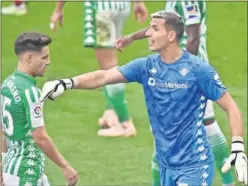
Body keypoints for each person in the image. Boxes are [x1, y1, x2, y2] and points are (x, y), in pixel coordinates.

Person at [39, 10, 247, 185]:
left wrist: (237, 146)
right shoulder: (146, 66)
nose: (148, 33)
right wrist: (67, 83)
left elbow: (230, 106)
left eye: (155, 29)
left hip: (194, 165)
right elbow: (103, 76)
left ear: (172, 36)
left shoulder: (199, 70)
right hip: (166, 164)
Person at [116, 1, 234, 185]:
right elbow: (161, 27)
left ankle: (228, 180)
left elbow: (193, 36)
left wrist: (184, 71)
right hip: (179, 68)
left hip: (190, 73)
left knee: (201, 127)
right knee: (174, 132)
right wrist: (132, 37)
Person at [49, 1, 148, 137]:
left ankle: (124, 123)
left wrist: (58, 9)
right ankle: (111, 112)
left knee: (109, 66)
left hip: (101, 10)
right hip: (121, 6)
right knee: (110, 60)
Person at [1, 32, 78, 186]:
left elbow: (2, 130)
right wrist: (65, 166)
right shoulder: (31, 92)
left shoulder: (6, 84)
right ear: (29, 58)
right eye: (44, 58)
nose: (48, 62)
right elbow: (40, 137)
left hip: (14, 170)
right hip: (25, 175)